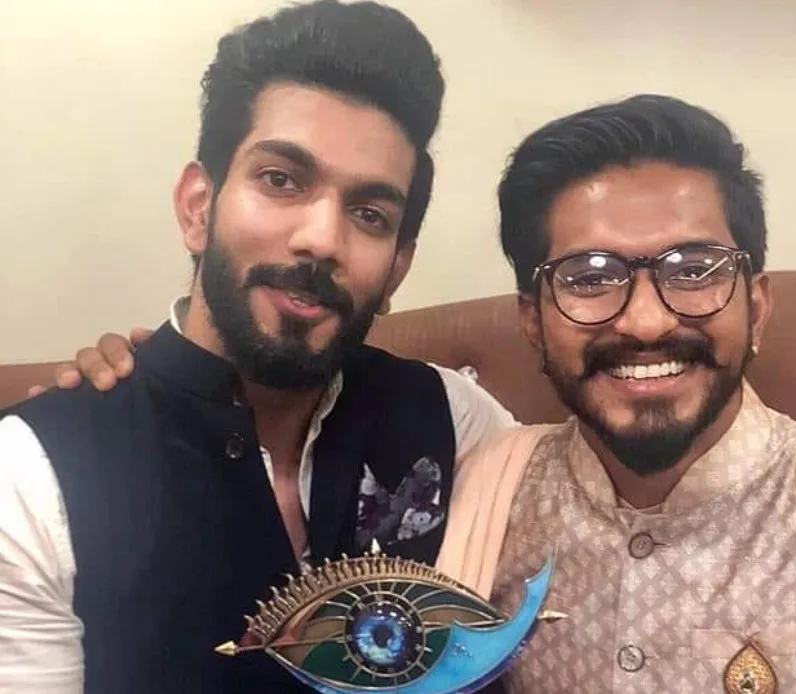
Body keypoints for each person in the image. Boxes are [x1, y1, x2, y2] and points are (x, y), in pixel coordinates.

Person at [0, 2, 515, 693]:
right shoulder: (33, 477)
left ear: (397, 267)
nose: (321, 239)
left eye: (369, 214)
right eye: (280, 180)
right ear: (198, 207)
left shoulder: (456, 418)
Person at [430, 95, 796, 693]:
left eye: (694, 270)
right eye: (590, 277)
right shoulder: (494, 482)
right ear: (533, 323)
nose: (646, 323)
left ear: (757, 306)